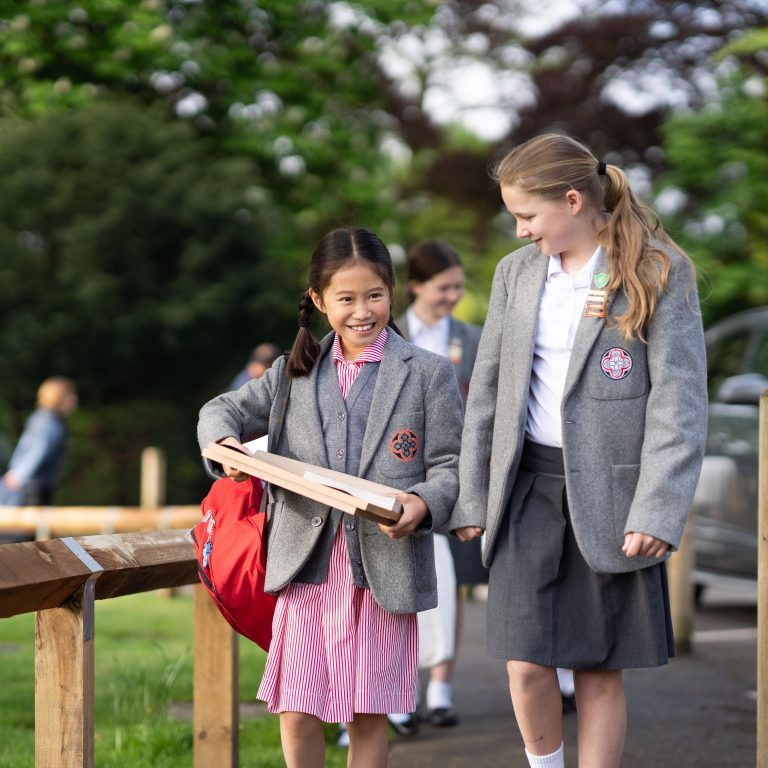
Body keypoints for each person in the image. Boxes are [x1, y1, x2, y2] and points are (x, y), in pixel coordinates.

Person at [450, 133, 707, 768]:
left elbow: (679, 404)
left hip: (614, 498)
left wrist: (657, 508)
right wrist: (473, 493)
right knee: (525, 666)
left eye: (527, 216)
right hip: (528, 491)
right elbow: (488, 394)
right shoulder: (515, 275)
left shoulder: (658, 271)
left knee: (597, 672)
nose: (518, 232)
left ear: (572, 201)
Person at [197, 226, 464, 768]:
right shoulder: (293, 371)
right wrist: (221, 443)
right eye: (346, 299)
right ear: (319, 301)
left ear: (393, 292)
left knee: (367, 716)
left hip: (382, 572)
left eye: (375, 296)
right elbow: (221, 410)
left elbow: (450, 465)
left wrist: (423, 503)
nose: (362, 311)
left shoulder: (429, 375)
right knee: (297, 712)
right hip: (303, 569)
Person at [390, 240, 485, 730]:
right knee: (402, 582)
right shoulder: (389, 333)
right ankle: (400, 692)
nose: (452, 296)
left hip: (455, 472)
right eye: (443, 287)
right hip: (399, 473)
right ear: (416, 286)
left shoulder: (472, 338)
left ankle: (442, 688)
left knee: (454, 584)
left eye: (458, 287)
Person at [0, 377, 78, 507]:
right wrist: (19, 474)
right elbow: (38, 449)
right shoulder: (48, 421)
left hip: (31, 484)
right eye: (71, 395)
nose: (75, 399)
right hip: (32, 487)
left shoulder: (45, 418)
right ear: (59, 397)